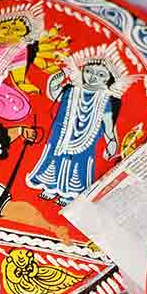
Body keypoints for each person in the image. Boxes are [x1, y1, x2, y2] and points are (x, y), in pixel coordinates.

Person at [26, 44, 133, 206]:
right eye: (89, 71)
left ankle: (69, 195)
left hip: (86, 142)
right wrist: (62, 74)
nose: (92, 77)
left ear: (108, 79)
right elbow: (53, 90)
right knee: (54, 159)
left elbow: (108, 125)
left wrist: (111, 142)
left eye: (100, 75)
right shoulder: (69, 90)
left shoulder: (106, 101)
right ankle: (50, 187)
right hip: (60, 137)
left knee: (79, 166)